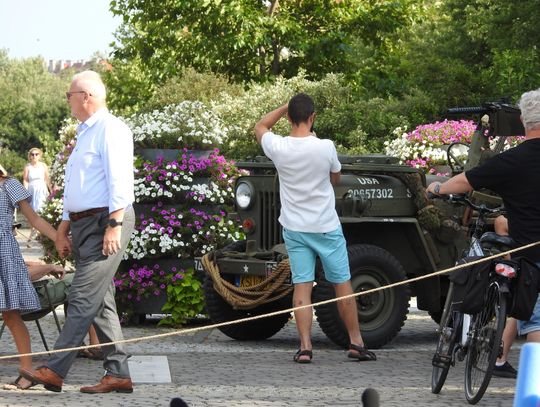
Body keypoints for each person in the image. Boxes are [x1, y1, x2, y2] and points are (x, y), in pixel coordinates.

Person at [19, 70, 136, 393]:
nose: (67, 100)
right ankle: (118, 373)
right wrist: (63, 229)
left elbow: (120, 182)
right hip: (85, 223)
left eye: (69, 95)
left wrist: (114, 225)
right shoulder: (85, 134)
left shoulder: (111, 129)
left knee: (82, 295)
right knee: (101, 300)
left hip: (105, 221)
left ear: (86, 96)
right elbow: (76, 188)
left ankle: (55, 369)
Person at [254, 93, 376, 363]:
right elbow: (335, 178)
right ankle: (356, 342)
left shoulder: (278, 146)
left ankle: (305, 347)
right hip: (325, 226)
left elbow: (260, 126)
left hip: (294, 228)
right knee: (342, 284)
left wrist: (285, 106)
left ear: (289, 117)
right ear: (313, 117)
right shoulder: (325, 147)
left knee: (302, 286)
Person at [427, 88, 540, 375]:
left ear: (523, 121)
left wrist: (438, 187)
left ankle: (533, 388)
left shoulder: (511, 161)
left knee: (536, 324)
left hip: (529, 257)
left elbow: (466, 181)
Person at [0, 164, 58, 390]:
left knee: (11, 315)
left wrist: (58, 237)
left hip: (3, 252)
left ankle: (27, 372)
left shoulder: (9, 185)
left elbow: (34, 219)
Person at [22, 147, 52, 244]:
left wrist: (51, 190)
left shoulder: (43, 166)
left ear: (39, 155)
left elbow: (47, 179)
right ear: (30, 156)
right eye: (32, 154)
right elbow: (25, 180)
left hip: (41, 189)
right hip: (32, 190)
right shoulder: (28, 167)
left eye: (36, 154)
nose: (34, 156)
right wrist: (25, 192)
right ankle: (33, 232)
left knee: (41, 210)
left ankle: (40, 233)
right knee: (32, 212)